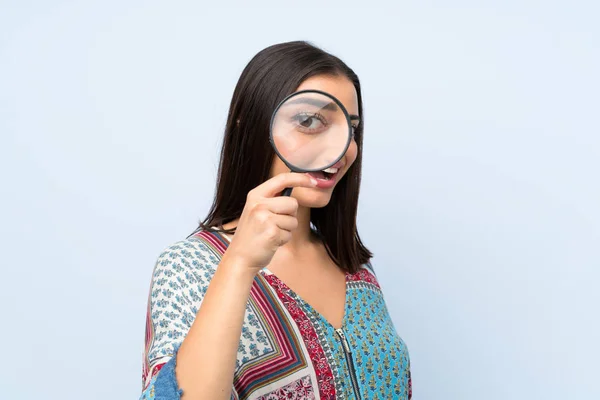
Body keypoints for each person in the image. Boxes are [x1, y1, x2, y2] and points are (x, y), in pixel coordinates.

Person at [140, 40, 412, 400]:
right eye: (310, 121)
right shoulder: (187, 266)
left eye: (352, 128)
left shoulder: (355, 269)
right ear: (252, 126)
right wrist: (239, 263)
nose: (342, 148)